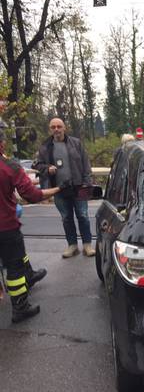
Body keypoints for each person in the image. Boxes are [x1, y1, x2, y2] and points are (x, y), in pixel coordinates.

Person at [1, 129, 62, 322]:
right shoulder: (10, 167)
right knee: (14, 268)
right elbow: (32, 195)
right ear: (2, 143)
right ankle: (20, 307)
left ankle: (29, 274)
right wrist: (58, 189)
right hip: (6, 227)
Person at [33, 118, 95, 258]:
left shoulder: (76, 143)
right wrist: (47, 168)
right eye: (53, 127)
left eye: (59, 126)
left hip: (78, 186)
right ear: (50, 129)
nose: (56, 129)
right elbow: (37, 165)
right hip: (58, 189)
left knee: (83, 216)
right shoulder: (45, 147)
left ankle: (87, 245)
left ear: (64, 128)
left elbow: (86, 163)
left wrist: (87, 182)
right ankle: (72, 245)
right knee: (66, 218)